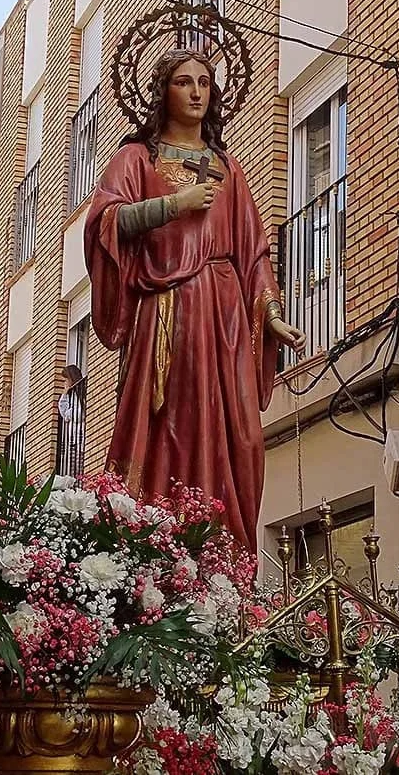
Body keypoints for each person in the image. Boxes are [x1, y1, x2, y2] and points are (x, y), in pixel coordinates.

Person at [85, 48, 306, 550]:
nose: (196, 92)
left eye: (205, 83)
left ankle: (225, 552)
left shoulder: (228, 167)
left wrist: (270, 313)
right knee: (169, 427)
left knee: (239, 436)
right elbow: (104, 223)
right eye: (184, 82)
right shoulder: (136, 158)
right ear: (162, 92)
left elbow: (252, 251)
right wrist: (172, 205)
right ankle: (157, 546)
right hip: (166, 310)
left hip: (226, 316)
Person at [57, 365, 86, 476]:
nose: (65, 382)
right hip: (73, 439)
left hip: (80, 437)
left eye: (66, 379)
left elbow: (79, 414)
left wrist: (69, 414)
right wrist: (64, 393)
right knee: (74, 469)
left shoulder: (81, 391)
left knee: (79, 468)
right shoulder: (71, 394)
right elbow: (63, 410)